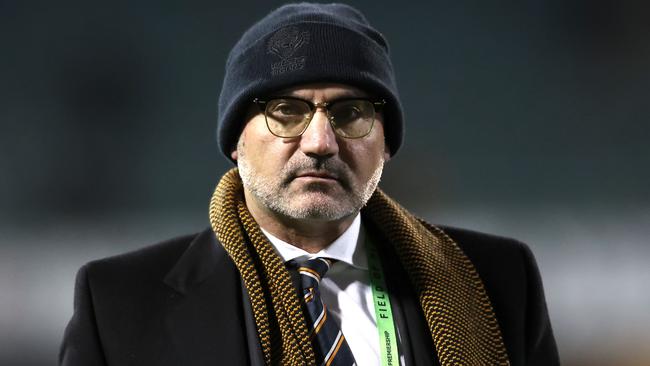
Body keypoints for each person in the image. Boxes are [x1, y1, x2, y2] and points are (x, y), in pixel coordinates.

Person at [59, 3, 559, 366]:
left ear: (386, 143)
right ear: (236, 140)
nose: (320, 141)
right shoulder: (120, 303)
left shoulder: (499, 280)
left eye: (350, 113)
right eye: (286, 111)